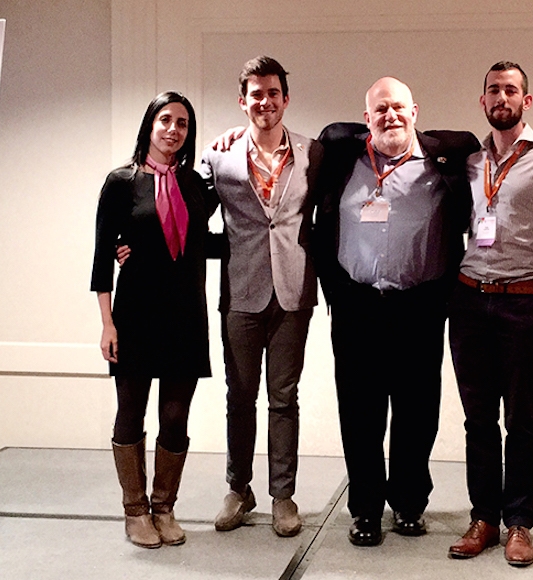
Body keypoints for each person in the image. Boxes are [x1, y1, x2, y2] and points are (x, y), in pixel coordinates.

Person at [312, 77, 481, 547]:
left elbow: (489, 146)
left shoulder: (444, 158)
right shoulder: (341, 155)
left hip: (420, 305)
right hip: (357, 306)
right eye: (380, 109)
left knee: (417, 410)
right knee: (360, 412)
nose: (391, 116)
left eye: (399, 108)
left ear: (416, 111)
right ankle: (365, 510)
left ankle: (409, 503)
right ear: (366, 118)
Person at [446, 61, 533, 567]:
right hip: (467, 302)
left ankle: (519, 524)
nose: (501, 97)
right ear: (482, 101)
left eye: (511, 89)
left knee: (521, 419)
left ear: (526, 102)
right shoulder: (466, 160)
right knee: (477, 418)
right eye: (493, 90)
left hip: (524, 303)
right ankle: (483, 517)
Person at [199, 56, 322, 537]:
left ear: (285, 99)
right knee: (240, 397)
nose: (265, 102)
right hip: (241, 292)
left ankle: (282, 496)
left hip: (293, 293)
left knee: (284, 398)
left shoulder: (314, 152)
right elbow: (185, 217)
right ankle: (239, 487)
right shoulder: (219, 157)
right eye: (256, 94)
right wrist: (134, 246)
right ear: (242, 100)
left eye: (273, 93)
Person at [91, 91, 214, 549]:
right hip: (136, 314)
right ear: (150, 124)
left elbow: (203, 241)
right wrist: (107, 324)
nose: (173, 130)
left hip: (185, 315)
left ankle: (164, 507)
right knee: (131, 410)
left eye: (182, 123)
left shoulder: (196, 186)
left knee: (176, 415)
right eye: (166, 120)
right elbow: (103, 258)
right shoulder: (121, 182)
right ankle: (135, 511)